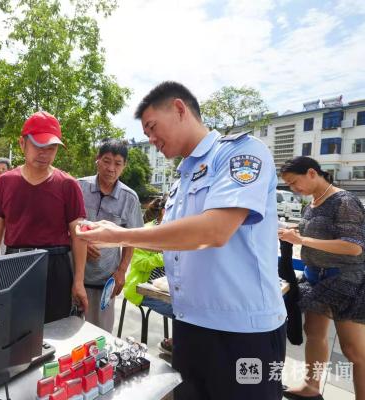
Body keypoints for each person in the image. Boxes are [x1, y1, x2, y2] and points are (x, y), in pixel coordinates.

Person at [76, 81, 286, 400]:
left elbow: (214, 231)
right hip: (189, 325)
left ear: (178, 109)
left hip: (242, 331)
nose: (150, 139)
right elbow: (170, 238)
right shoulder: (183, 178)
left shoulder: (239, 153)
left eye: (152, 127)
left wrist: (116, 235)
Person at [0, 111, 88, 322]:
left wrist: (78, 281)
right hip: (15, 264)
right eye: (39, 146)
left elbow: (78, 234)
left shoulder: (68, 184)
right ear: (22, 144)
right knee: (12, 326)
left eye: (51, 148)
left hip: (55, 266)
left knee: (56, 329)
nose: (45, 153)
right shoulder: (5, 181)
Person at [279, 156, 365, 400]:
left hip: (345, 281)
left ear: (311, 173)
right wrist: (293, 232)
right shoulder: (313, 202)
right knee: (314, 333)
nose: (293, 189)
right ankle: (311, 387)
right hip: (315, 278)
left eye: (294, 182)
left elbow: (354, 246)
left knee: (353, 350)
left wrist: (301, 239)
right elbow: (317, 233)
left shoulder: (344, 201)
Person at [78, 139, 143, 331]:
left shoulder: (129, 198)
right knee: (69, 332)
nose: (111, 168)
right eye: (106, 161)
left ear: (124, 166)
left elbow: (132, 238)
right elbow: (62, 224)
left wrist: (122, 270)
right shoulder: (78, 187)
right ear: (97, 160)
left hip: (104, 282)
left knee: (100, 336)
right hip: (74, 277)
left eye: (118, 163)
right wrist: (81, 244)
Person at [121, 197, 175, 353]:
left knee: (191, 306)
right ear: (165, 212)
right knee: (181, 311)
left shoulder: (175, 234)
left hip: (164, 288)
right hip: (140, 289)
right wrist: (165, 256)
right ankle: (176, 345)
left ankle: (179, 345)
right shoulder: (146, 231)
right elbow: (139, 263)